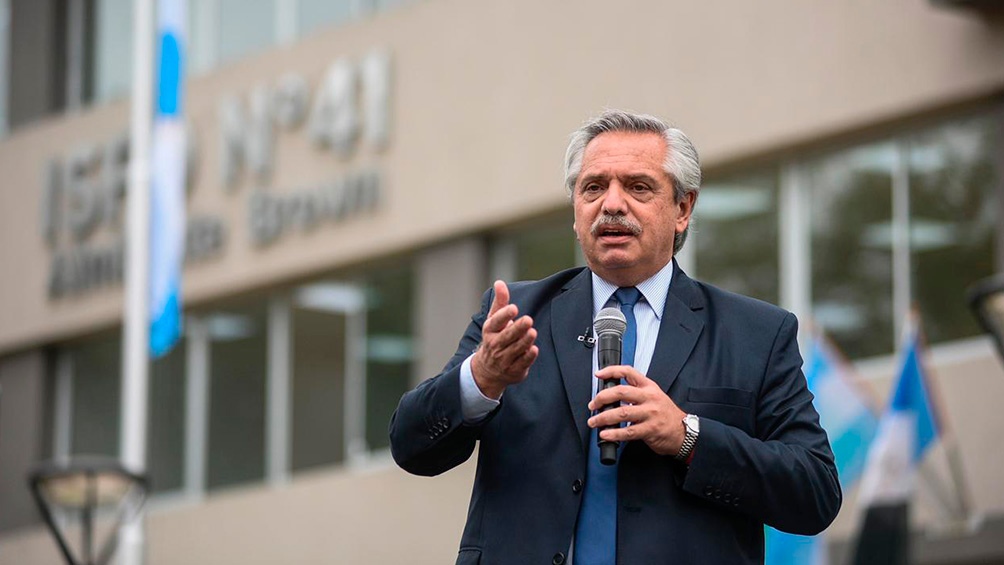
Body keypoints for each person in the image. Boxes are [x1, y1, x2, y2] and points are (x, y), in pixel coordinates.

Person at [390, 110, 841, 565]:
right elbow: (412, 447)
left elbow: (815, 492)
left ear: (683, 209)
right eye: (593, 187)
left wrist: (687, 436)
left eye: (638, 187)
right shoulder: (515, 316)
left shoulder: (754, 334)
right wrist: (481, 379)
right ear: (575, 210)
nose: (611, 204)